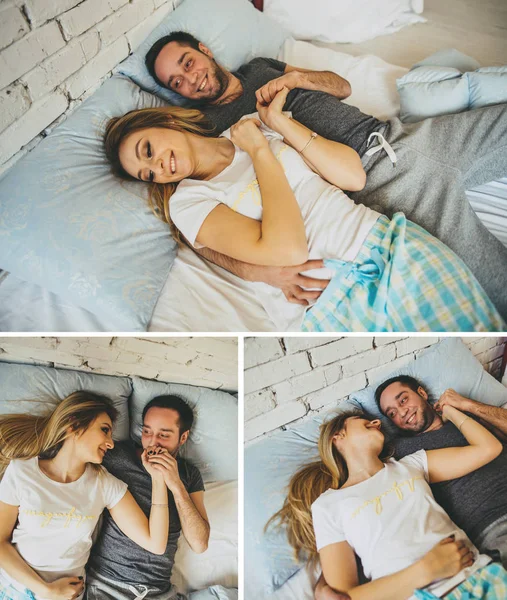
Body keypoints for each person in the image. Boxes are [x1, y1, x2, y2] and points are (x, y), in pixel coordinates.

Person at [143, 31, 507, 319]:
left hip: (396, 136)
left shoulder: (257, 67)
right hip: (381, 183)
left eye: (188, 63)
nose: (191, 80)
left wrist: (299, 78)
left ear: (205, 50)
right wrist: (261, 272)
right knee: (493, 283)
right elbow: (197, 235)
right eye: (177, 83)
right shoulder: (209, 132)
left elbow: (341, 87)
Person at [103, 91, 504, 332]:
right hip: (329, 303)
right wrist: (260, 151)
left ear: (166, 120)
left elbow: (353, 176)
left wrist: (277, 123)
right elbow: (288, 251)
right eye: (146, 173)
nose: (157, 168)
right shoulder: (187, 203)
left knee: (484, 329)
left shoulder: (250, 124)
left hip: (388, 245)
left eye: (148, 151)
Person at [269, 408, 507, 600]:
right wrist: (426, 570)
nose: (377, 422)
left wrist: (451, 410)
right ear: (337, 437)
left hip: (482, 577)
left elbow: (490, 448)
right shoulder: (327, 505)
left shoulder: (411, 465)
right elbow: (345, 597)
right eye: (361, 421)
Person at [0, 392, 170, 600]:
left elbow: (156, 543)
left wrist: (159, 477)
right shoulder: (22, 472)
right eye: (104, 430)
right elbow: (0, 542)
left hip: (70, 594)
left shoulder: (104, 484)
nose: (111, 443)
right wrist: (45, 590)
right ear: (74, 425)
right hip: (14, 588)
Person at [86, 394, 209, 600]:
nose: (152, 443)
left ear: (183, 437)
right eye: (146, 431)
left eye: (164, 435)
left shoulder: (189, 475)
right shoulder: (117, 456)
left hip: (159, 591)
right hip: (109, 584)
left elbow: (199, 544)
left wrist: (176, 484)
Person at [376, 376, 507, 568]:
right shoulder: (400, 452)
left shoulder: (465, 416)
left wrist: (465, 406)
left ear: (422, 393)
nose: (402, 412)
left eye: (403, 400)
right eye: (392, 413)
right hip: (494, 525)